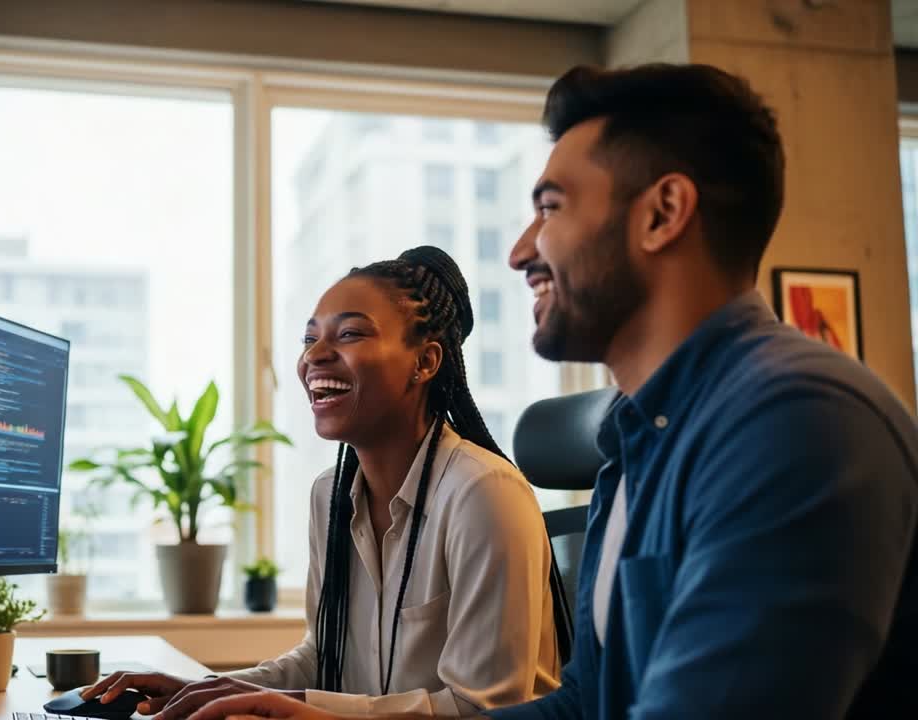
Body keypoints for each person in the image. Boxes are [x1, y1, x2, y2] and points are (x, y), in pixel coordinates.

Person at [182, 63, 918, 720]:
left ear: (663, 213)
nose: (520, 250)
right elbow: (582, 705)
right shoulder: (636, 445)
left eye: (553, 207)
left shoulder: (795, 423)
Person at [83, 246, 561, 717]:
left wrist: (291, 706)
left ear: (425, 362)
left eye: (350, 333)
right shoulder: (329, 495)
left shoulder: (483, 493)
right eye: (309, 339)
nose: (315, 355)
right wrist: (205, 690)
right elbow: (321, 658)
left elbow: (483, 709)